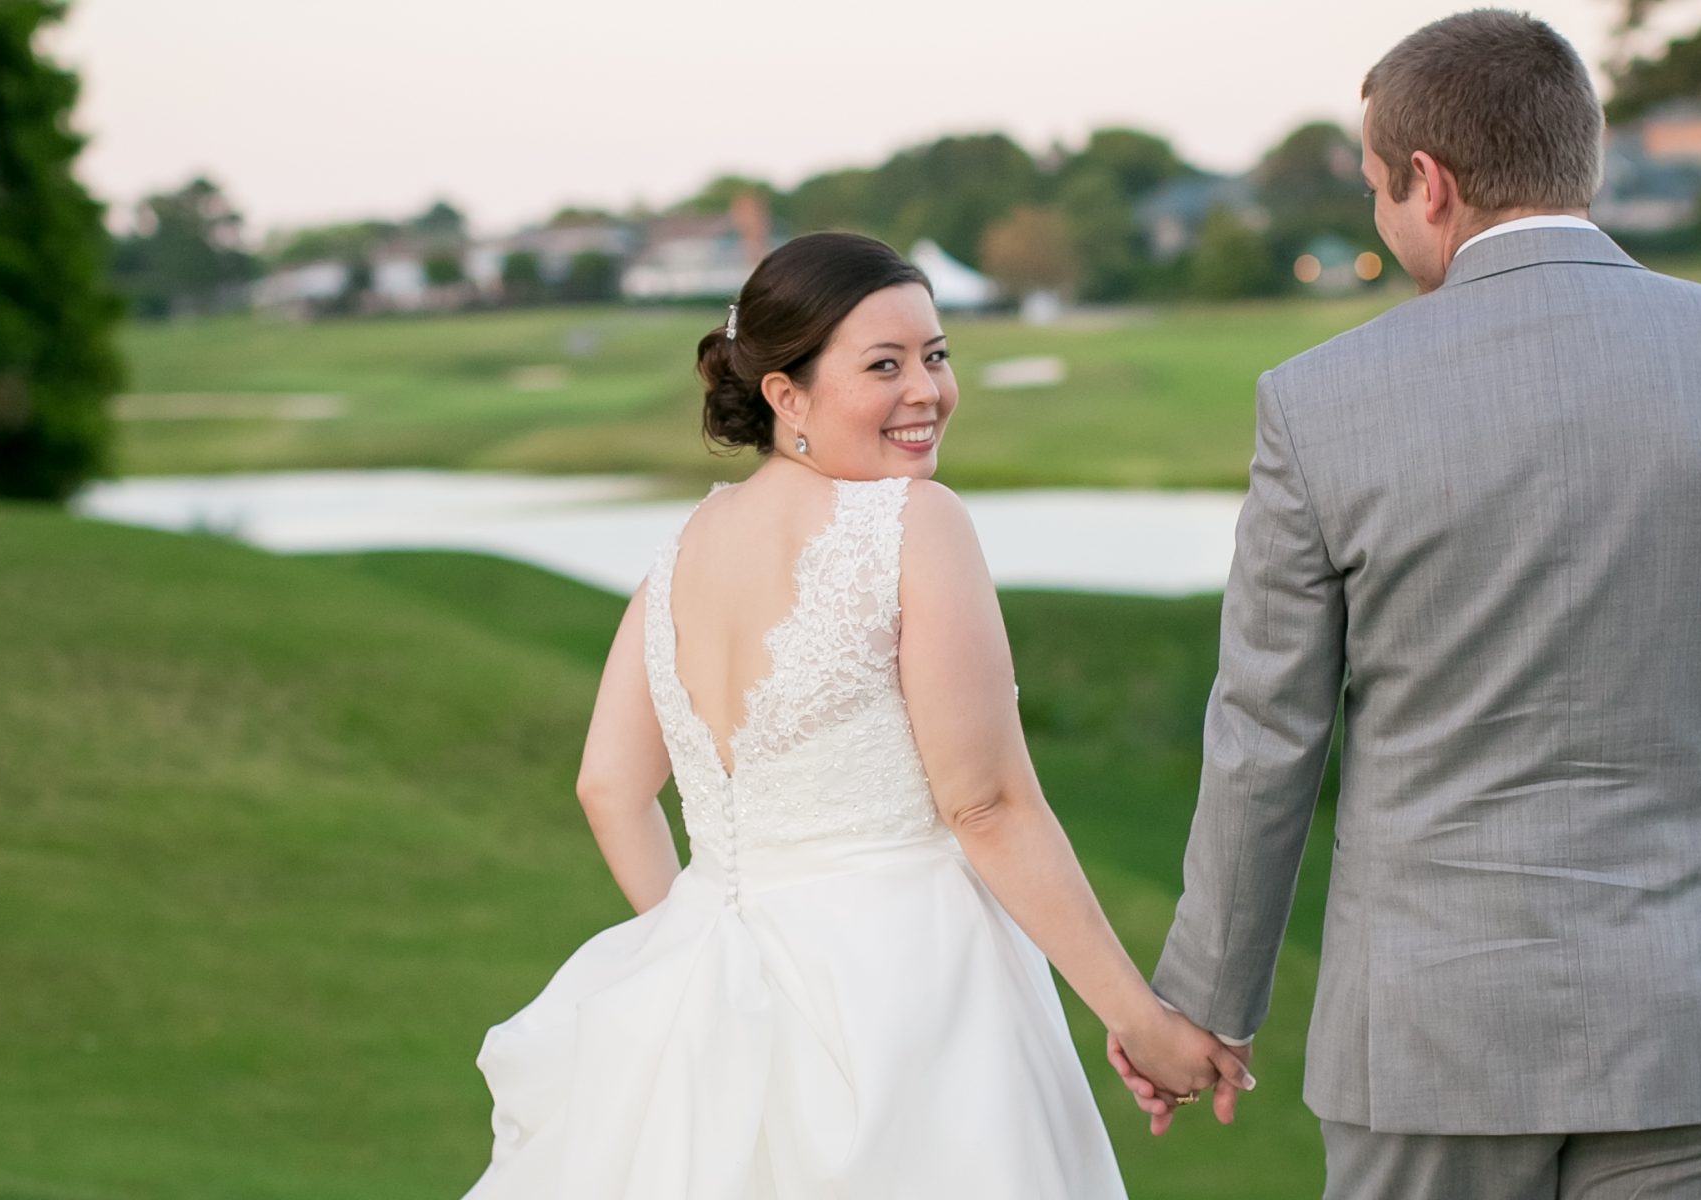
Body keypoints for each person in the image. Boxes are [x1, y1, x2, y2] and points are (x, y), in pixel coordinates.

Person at [1109, 11, 1701, 1200]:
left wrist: (1207, 1003)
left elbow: (1267, 737)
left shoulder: (1318, 403)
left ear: (1426, 183)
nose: (1381, 212)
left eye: (1377, 188)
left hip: (1427, 1043)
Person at [459, 231, 1244, 1199]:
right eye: (884, 365)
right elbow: (988, 806)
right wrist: (1140, 1020)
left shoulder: (680, 554)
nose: (926, 390)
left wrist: (702, 959)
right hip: (911, 997)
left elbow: (611, 787)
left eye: (937, 355)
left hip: (714, 988)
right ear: (786, 395)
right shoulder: (916, 525)